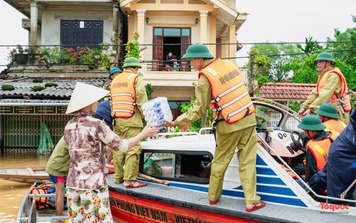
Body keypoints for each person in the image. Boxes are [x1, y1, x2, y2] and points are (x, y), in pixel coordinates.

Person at [165, 43, 265, 212]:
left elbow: (199, 109)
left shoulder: (205, 77)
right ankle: (251, 201)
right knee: (247, 161)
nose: (190, 64)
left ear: (199, 59)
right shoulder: (228, 65)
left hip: (229, 123)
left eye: (190, 61)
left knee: (220, 161)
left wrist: (178, 121)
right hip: (248, 118)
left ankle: (213, 197)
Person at [64, 82, 159, 222]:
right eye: (95, 100)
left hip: (73, 185)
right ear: (88, 104)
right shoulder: (97, 125)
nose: (98, 102)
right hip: (93, 185)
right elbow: (122, 146)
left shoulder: (69, 125)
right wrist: (143, 134)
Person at [110, 57, 149, 188]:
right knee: (133, 148)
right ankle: (130, 180)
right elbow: (141, 100)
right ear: (136, 68)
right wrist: (147, 118)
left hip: (117, 120)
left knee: (118, 149)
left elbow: (112, 102)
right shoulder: (135, 79)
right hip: (132, 120)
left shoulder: (115, 80)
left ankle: (118, 178)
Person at [309, 110, 356, 203]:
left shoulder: (312, 144)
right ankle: (336, 214)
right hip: (345, 155)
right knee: (338, 197)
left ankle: (307, 190)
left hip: (340, 152)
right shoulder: (340, 124)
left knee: (326, 175)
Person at [297, 52, 351, 125]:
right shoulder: (323, 76)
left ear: (328, 62)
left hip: (337, 114)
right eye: (317, 62)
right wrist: (304, 107)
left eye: (321, 61)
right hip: (327, 113)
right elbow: (314, 93)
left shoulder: (334, 75)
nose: (318, 64)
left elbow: (325, 94)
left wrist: (311, 108)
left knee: (335, 134)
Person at [297, 115, 339, 182]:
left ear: (311, 131)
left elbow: (310, 176)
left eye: (305, 131)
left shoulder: (312, 147)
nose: (304, 133)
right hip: (339, 180)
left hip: (323, 186)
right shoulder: (334, 135)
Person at [45, 137, 69, 222]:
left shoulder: (66, 136)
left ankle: (58, 214)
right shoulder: (70, 138)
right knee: (61, 193)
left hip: (54, 168)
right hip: (57, 169)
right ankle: (59, 217)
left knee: (58, 192)